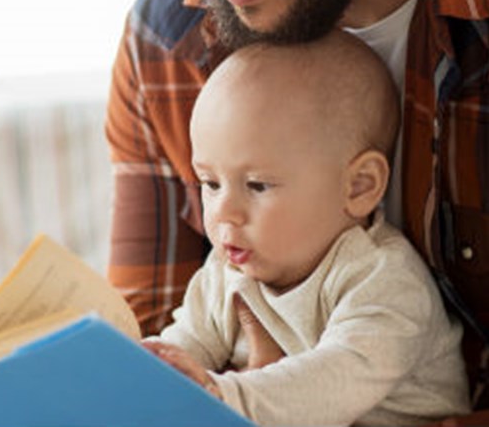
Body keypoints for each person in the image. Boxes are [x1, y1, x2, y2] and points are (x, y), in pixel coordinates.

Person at [105, 0, 489, 417]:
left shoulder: (378, 280)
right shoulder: (165, 38)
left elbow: (345, 368)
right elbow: (152, 352)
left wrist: (229, 396)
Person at [142, 33, 470, 426]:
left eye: (257, 185)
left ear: (359, 186)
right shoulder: (225, 271)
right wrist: (151, 371)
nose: (224, 212)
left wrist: (221, 393)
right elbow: (188, 345)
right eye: (211, 184)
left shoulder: (384, 280)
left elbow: (329, 383)